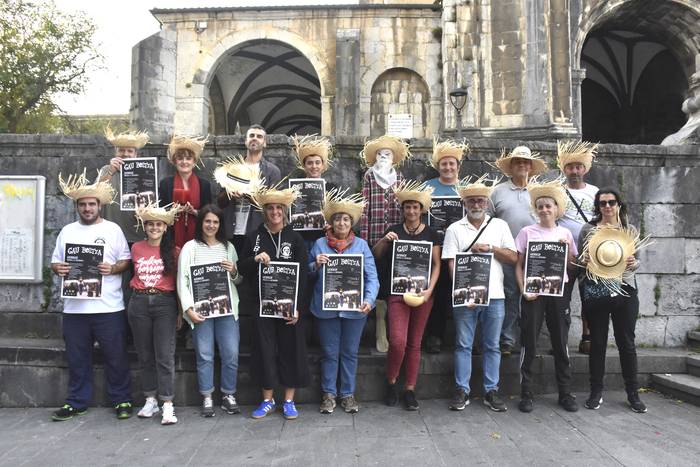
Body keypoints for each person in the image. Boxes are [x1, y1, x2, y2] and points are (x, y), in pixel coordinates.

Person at [50, 171, 133, 421]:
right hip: (75, 309)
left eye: (91, 204)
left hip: (109, 307)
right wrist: (59, 268)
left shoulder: (113, 229)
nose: (87, 208)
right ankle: (76, 402)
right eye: (83, 204)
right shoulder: (67, 231)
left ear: (100, 206)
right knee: (77, 359)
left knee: (116, 357)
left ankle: (122, 399)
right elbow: (55, 263)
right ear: (77, 206)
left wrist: (113, 268)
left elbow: (126, 260)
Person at [441, 176, 518, 412]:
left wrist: (492, 249)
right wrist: (465, 292)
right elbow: (451, 263)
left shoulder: (500, 226)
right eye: (472, 201)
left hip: (495, 295)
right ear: (464, 204)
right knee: (463, 344)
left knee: (492, 345)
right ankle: (461, 390)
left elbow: (514, 257)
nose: (476, 205)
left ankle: (491, 390)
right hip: (466, 296)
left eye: (481, 201)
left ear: (487, 203)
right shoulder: (454, 229)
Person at [237, 186, 310, 420]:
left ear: (285, 211)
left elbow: (303, 276)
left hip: (289, 307)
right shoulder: (254, 237)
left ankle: (289, 401)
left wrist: (298, 307)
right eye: (270, 208)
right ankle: (267, 400)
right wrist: (254, 260)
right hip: (262, 306)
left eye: (279, 208)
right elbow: (242, 268)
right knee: (264, 352)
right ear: (264, 211)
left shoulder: (295, 238)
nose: (275, 212)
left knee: (291, 350)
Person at [372, 181, 441, 411]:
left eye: (415, 207)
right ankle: (391, 381)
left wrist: (430, 289)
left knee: (414, 344)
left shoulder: (431, 233)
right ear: (402, 209)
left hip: (423, 294)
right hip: (397, 293)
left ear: (422, 210)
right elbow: (376, 254)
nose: (411, 211)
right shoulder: (395, 230)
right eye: (407, 207)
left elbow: (437, 264)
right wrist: (384, 240)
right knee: (398, 341)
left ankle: (410, 389)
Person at [578, 189, 647, 413]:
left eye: (611, 202)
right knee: (597, 343)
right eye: (602, 203)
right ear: (597, 206)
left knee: (626, 343)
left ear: (619, 204)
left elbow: (638, 261)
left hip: (625, 290)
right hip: (597, 290)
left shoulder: (630, 230)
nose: (607, 206)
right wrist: (584, 260)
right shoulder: (588, 229)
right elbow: (581, 261)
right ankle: (596, 392)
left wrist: (632, 263)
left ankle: (633, 394)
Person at [310, 190, 379, 414]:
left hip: (354, 310)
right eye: (338, 218)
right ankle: (328, 394)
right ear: (331, 222)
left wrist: (369, 300)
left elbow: (372, 277)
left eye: (346, 219)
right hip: (326, 309)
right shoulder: (319, 244)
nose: (341, 222)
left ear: (352, 223)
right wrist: (314, 265)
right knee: (329, 353)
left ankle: (347, 394)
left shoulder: (361, 245)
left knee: (349, 352)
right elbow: (305, 275)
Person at [514, 179, 579, 413]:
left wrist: (568, 251)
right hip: (533, 294)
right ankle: (526, 394)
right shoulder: (526, 232)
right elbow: (518, 265)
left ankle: (565, 392)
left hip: (558, 293)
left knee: (561, 342)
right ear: (536, 209)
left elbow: (572, 267)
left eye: (548, 206)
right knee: (529, 342)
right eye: (540, 206)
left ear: (556, 208)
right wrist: (523, 289)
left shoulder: (566, 233)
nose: (544, 210)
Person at [177, 205, 242, 417]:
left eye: (215, 222)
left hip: (226, 310)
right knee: (205, 355)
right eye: (207, 221)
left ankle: (228, 394)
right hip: (200, 311)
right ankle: (207, 396)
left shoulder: (228, 247)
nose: (211, 225)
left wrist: (233, 271)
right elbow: (182, 281)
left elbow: (238, 280)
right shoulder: (190, 248)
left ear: (220, 224)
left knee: (230, 354)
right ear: (201, 222)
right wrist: (188, 309)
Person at [488, 146, 548, 356]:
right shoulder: (497, 191)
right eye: (517, 162)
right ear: (511, 167)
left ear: (531, 167)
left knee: (536, 297)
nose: (522, 165)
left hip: (537, 255)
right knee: (509, 296)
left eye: (525, 162)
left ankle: (531, 340)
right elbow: (488, 222)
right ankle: (507, 340)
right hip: (507, 254)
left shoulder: (541, 191)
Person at [128, 203, 184, 425]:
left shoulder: (174, 251)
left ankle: (167, 403)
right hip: (139, 301)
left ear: (165, 227)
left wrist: (179, 311)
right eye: (150, 224)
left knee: (164, 355)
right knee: (145, 355)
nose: (154, 227)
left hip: (164, 304)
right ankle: (150, 398)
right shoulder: (136, 249)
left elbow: (179, 284)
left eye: (158, 224)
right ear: (145, 226)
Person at [359, 135, 408, 353]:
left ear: (393, 158)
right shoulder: (369, 177)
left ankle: (392, 328)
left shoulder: (400, 177)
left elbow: (404, 207)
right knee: (376, 279)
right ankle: (380, 328)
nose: (383, 157)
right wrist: (367, 240)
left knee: (392, 279)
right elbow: (365, 208)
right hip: (375, 237)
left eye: (387, 154)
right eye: (380, 154)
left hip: (396, 238)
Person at [423, 138, 469, 354]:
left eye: (452, 164)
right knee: (439, 293)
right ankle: (435, 336)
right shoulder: (428, 187)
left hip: (462, 249)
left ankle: (468, 340)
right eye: (444, 164)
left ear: (458, 166)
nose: (448, 167)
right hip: (437, 247)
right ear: (438, 166)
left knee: (466, 293)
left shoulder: (467, 188)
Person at [557, 141, 599, 355]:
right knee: (561, 299)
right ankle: (560, 340)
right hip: (563, 254)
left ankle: (587, 337)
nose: (574, 171)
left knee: (589, 298)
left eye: (578, 167)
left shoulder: (595, 192)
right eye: (570, 167)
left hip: (589, 253)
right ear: (564, 170)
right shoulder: (557, 191)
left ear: (584, 169)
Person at [218, 125, 281, 252]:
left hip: (256, 232)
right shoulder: (231, 168)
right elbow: (219, 202)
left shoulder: (272, 171)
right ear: (246, 141)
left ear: (265, 143)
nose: (255, 139)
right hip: (230, 231)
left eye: (259, 136)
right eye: (251, 136)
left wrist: (251, 197)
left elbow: (274, 206)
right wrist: (229, 193)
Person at [159, 135, 212, 249]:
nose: (184, 162)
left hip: (198, 236)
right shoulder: (166, 184)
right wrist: (173, 211)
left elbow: (210, 213)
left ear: (194, 162)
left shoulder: (204, 185)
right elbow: (160, 211)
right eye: (180, 158)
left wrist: (195, 211)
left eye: (188, 158)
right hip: (171, 237)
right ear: (174, 161)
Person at [98, 127, 150, 244]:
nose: (125, 154)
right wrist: (111, 171)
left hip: (137, 237)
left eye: (130, 151)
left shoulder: (146, 171)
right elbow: (95, 196)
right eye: (121, 150)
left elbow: (152, 204)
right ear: (115, 152)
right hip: (110, 236)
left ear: (136, 154)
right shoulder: (106, 170)